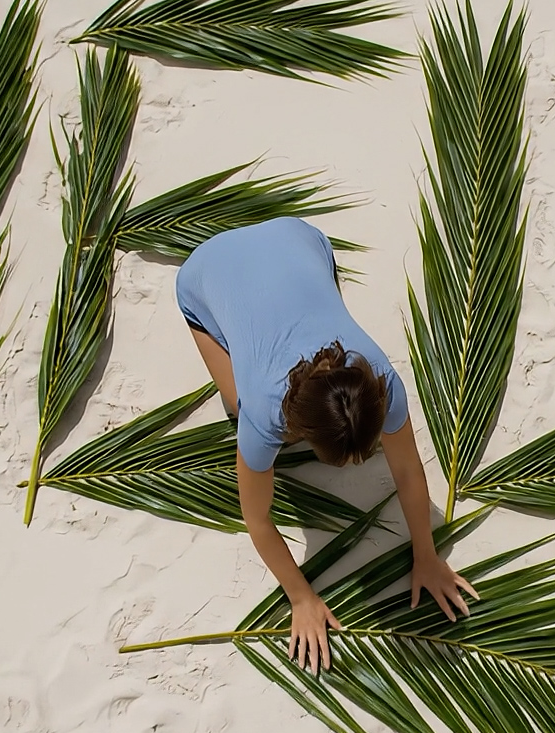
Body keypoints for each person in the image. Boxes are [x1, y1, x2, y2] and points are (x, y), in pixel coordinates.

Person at [175, 216, 476, 673]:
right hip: (206, 269)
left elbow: (411, 474)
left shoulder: (381, 380)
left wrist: (427, 556)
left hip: (304, 238)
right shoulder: (262, 414)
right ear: (298, 429)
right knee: (233, 402)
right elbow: (257, 520)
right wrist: (301, 599)